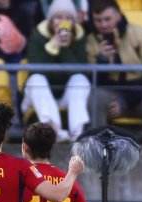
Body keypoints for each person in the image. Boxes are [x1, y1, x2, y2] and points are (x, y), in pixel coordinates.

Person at [86, 0, 142, 143]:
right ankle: (98, 152)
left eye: (107, 19)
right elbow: (94, 82)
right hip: (113, 93)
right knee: (96, 99)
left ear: (118, 16)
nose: (103, 25)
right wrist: (102, 61)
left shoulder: (139, 33)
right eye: (98, 20)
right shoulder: (91, 41)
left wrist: (125, 101)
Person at [21, 0, 90, 142]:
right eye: (58, 17)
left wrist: (64, 48)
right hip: (39, 95)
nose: (63, 22)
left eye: (69, 18)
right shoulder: (38, 35)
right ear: (50, 20)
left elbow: (80, 71)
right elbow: (36, 69)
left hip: (65, 93)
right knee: (37, 80)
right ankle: (54, 129)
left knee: (80, 80)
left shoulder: (79, 36)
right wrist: (53, 45)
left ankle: (77, 132)